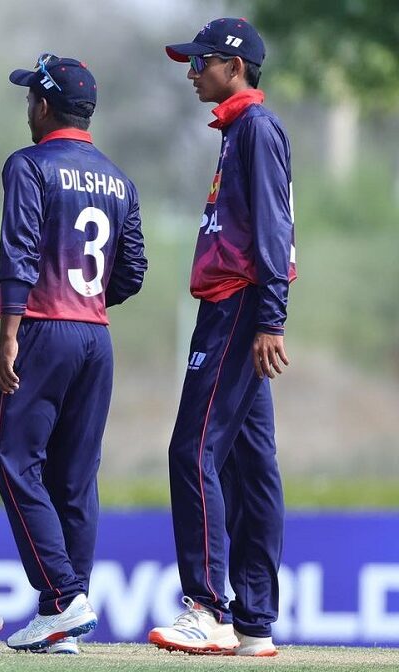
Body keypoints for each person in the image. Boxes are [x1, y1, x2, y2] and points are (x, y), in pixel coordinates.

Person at [148, 18, 294, 658]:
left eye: (200, 61)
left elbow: (274, 230)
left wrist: (270, 318)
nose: (191, 73)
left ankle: (207, 608)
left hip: (238, 305)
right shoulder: (239, 130)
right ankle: (254, 622)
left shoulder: (256, 128)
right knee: (250, 463)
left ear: (234, 67)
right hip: (235, 305)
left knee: (192, 449)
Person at [0, 54, 147, 655]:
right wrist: (89, 300)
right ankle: (64, 619)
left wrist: (9, 333)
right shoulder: (119, 178)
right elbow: (132, 270)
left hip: (40, 329)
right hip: (95, 336)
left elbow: (19, 251)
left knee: (16, 462)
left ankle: (62, 598)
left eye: (30, 98)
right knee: (76, 478)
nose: (27, 108)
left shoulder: (28, 164)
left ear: (44, 106)